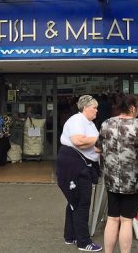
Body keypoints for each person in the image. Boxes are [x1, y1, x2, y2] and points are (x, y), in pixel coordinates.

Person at [96, 94, 138, 253]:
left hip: (111, 178)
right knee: (126, 220)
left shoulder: (106, 123)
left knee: (112, 218)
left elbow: (97, 148)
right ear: (133, 108)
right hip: (132, 180)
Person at [56, 95, 102, 252]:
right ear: (85, 108)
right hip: (75, 166)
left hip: (80, 164)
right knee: (81, 203)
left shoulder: (88, 123)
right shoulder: (77, 120)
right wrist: (100, 138)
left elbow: (96, 146)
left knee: (73, 202)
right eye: (94, 107)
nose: (97, 110)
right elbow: (78, 141)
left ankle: (70, 236)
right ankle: (83, 242)